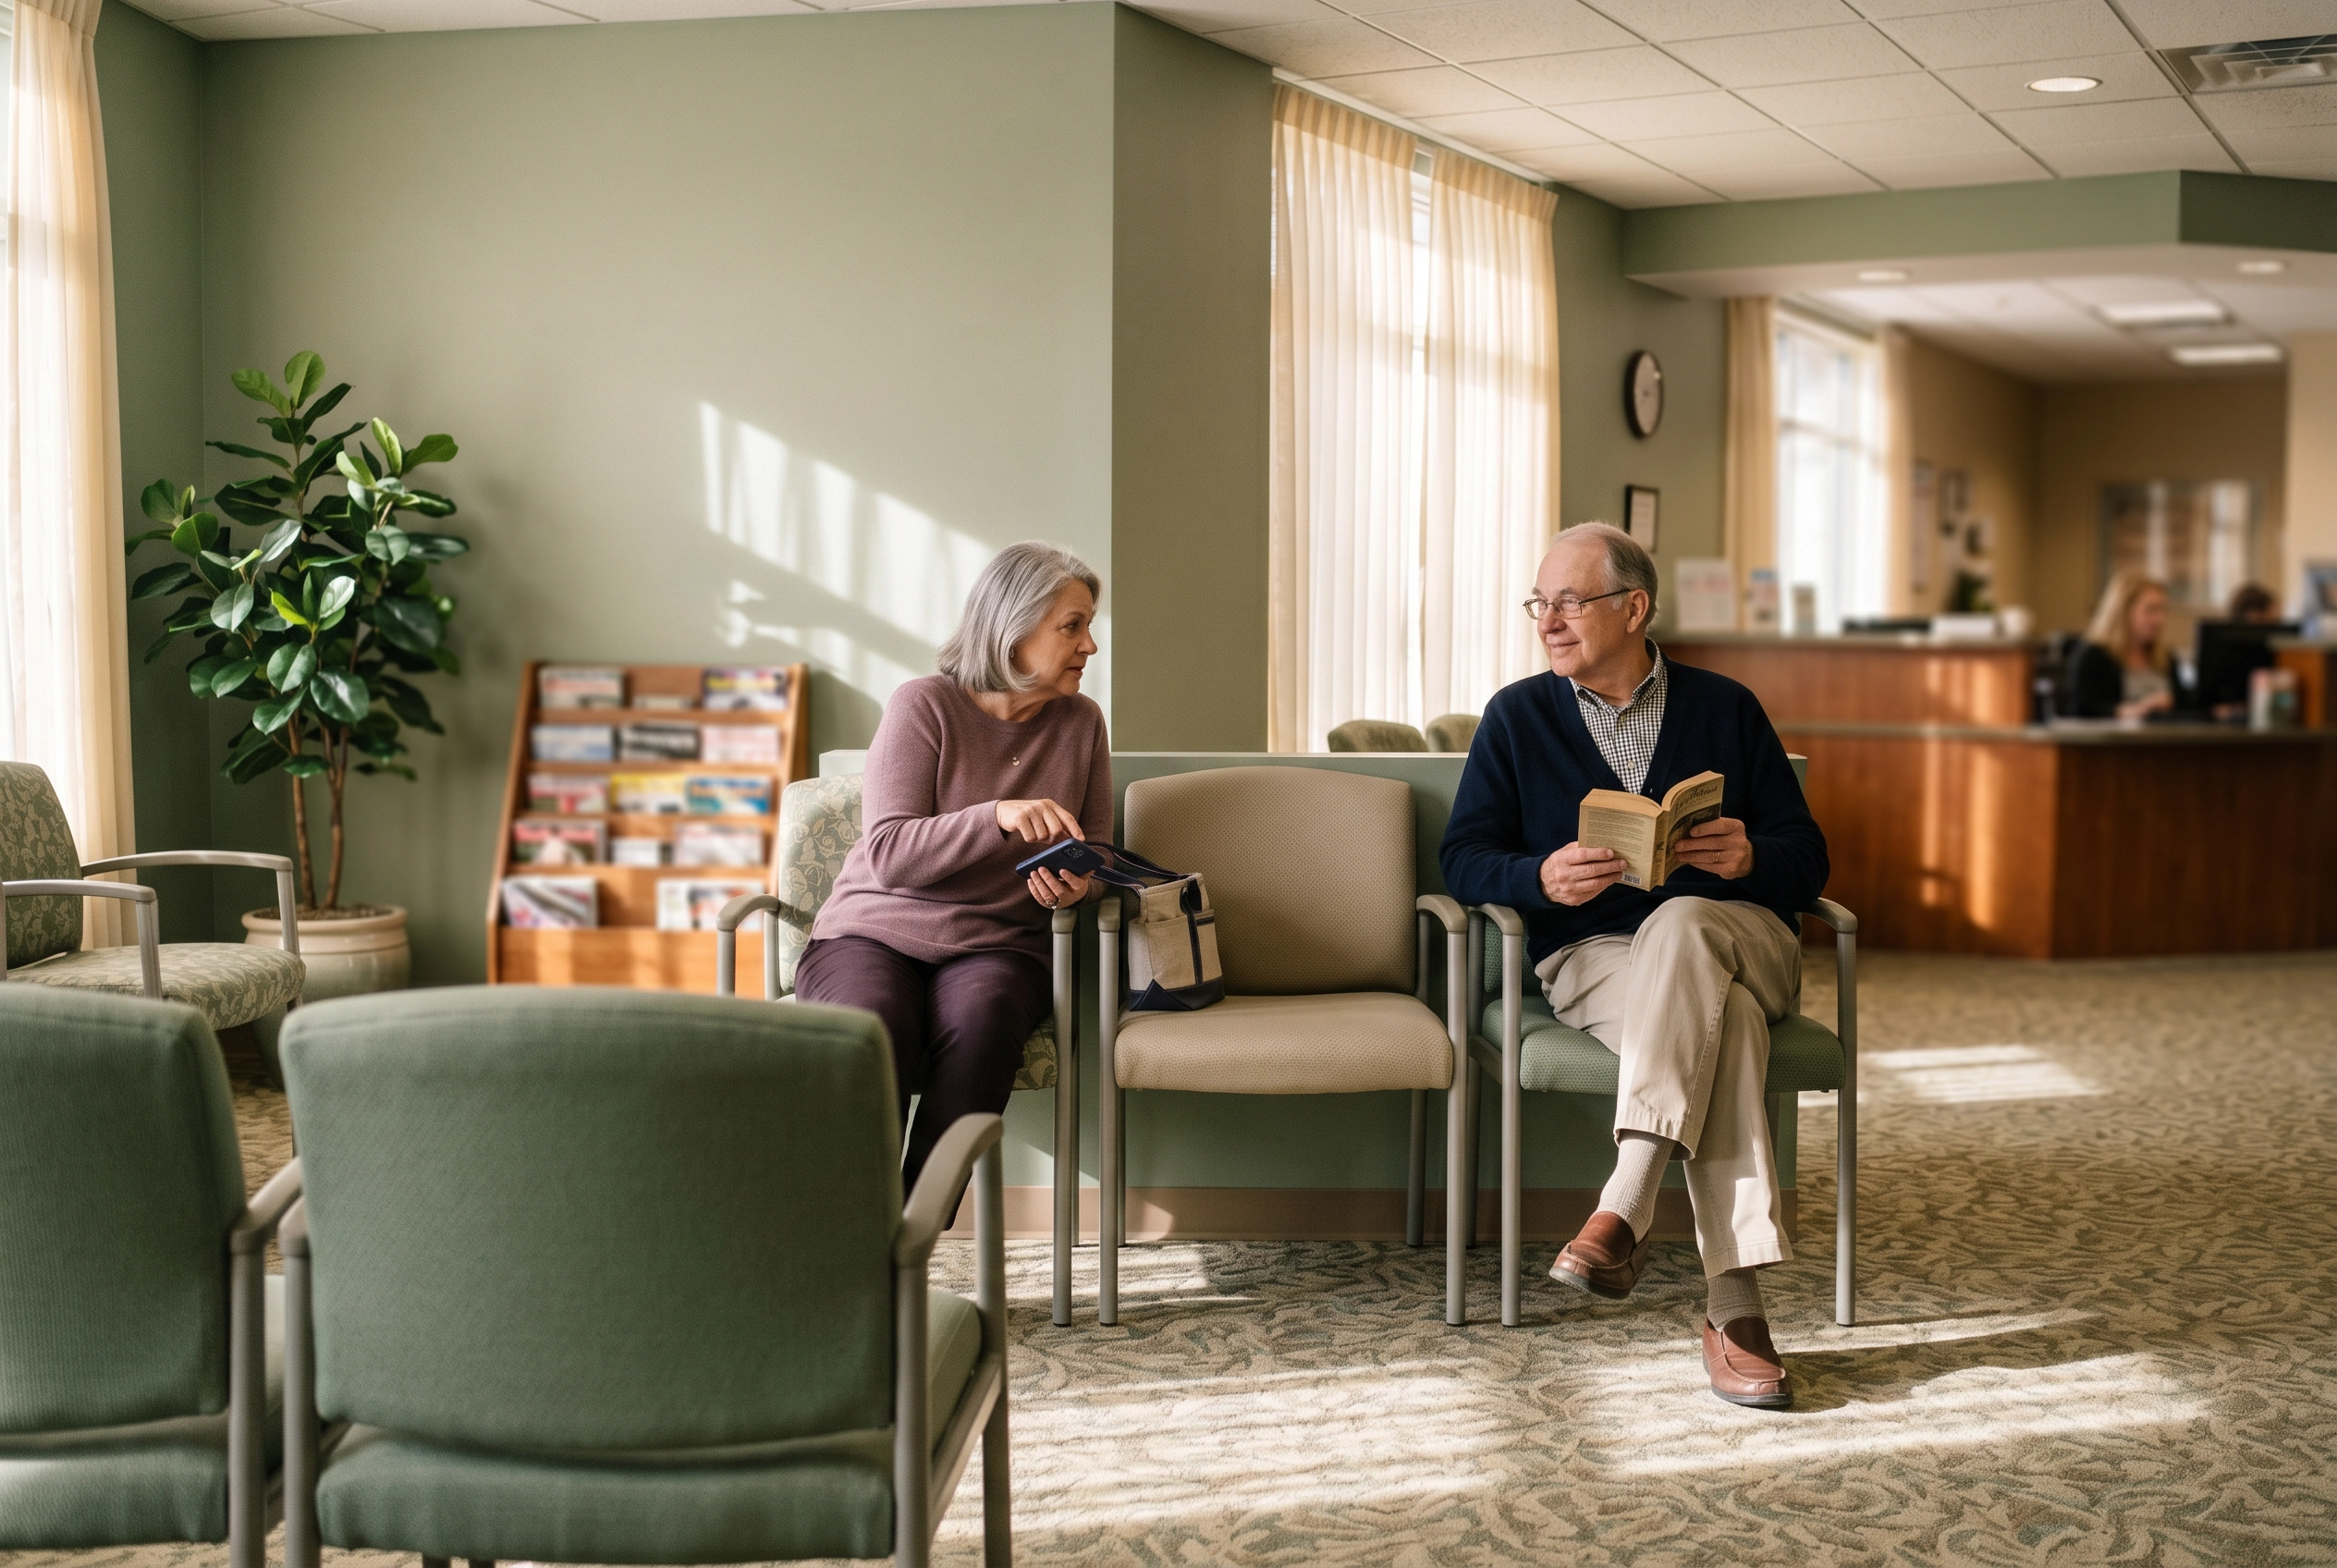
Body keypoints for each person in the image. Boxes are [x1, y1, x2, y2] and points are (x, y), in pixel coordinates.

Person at [1440, 523, 1828, 1411]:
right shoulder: (1516, 716)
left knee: (1688, 919)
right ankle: (1737, 1313)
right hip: (1598, 957)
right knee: (1717, 1024)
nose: (1548, 620)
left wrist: (1749, 858)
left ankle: (1624, 1199)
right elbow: (1462, 859)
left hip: (1737, 936)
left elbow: (1809, 857)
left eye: (1569, 601)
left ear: (1634, 607)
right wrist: (1536, 875)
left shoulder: (1726, 705)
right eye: (1540, 602)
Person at [798, 542, 1110, 1189]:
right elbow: (889, 854)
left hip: (1000, 945)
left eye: (1089, 626)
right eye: (1071, 627)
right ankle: (847, 1231)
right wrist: (995, 816)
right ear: (1012, 627)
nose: (1090, 646)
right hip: (872, 933)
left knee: (984, 1025)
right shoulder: (924, 705)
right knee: (872, 1026)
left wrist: (1078, 886)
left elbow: (1097, 852)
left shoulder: (1082, 723)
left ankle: (912, 1235)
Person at [2064, 571, 2190, 720]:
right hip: (2117, 740)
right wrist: (2134, 711)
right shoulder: (2093, 655)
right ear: (2124, 611)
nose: (2160, 619)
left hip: (2166, 740)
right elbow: (2081, 709)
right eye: (2151, 610)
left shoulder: (2166, 657)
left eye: (2163, 610)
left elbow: (2187, 705)